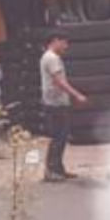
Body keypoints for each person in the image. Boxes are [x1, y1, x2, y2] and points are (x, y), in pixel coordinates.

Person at [40, 29, 88, 183]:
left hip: (56, 102)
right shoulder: (52, 58)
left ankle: (58, 169)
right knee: (58, 138)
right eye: (64, 42)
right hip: (56, 103)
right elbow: (59, 81)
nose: (66, 46)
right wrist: (77, 95)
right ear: (55, 41)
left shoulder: (50, 57)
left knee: (61, 137)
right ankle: (50, 171)